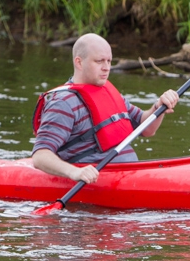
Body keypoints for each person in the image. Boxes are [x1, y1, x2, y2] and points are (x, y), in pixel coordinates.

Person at [31, 33, 179, 184]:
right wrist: (75, 172)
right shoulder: (62, 103)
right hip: (96, 182)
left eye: (109, 61)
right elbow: (40, 155)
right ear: (79, 62)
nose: (106, 67)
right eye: (99, 61)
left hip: (131, 175)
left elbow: (147, 129)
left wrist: (158, 107)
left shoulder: (108, 93)